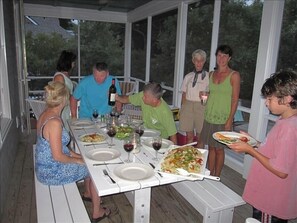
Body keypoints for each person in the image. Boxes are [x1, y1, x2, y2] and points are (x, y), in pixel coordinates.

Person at [35, 82, 110, 222]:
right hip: (52, 172)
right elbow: (58, 156)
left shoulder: (46, 114)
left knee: (87, 161)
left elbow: (60, 147)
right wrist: (80, 160)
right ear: (63, 100)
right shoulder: (55, 123)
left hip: (44, 166)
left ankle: (88, 193)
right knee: (95, 168)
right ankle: (97, 212)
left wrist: (80, 156)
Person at [229, 70, 297, 222]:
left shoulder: (289, 128)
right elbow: (276, 151)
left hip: (271, 199)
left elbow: (281, 171)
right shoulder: (286, 120)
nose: (266, 103)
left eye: (269, 98)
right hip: (271, 193)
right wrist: (254, 142)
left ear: (287, 99)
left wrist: (250, 150)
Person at [199, 45, 240, 176]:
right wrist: (203, 98)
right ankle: (210, 175)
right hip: (209, 116)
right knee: (210, 147)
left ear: (229, 58)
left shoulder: (234, 75)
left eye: (225, 56)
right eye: (219, 55)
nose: (221, 58)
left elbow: (235, 100)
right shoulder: (211, 74)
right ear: (216, 56)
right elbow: (207, 97)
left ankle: (217, 176)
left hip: (223, 118)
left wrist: (229, 120)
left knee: (219, 149)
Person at [179, 49, 209, 145]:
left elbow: (211, 94)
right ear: (193, 61)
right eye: (196, 60)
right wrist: (182, 108)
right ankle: (189, 158)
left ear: (204, 61)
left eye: (201, 60)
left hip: (201, 106)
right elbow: (184, 94)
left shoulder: (209, 77)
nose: (199, 63)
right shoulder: (188, 76)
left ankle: (200, 158)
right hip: (188, 106)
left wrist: (207, 97)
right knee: (189, 137)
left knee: (201, 138)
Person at [53, 50, 77, 129]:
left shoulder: (65, 75)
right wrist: (74, 98)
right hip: (62, 107)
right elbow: (60, 94)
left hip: (67, 106)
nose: (74, 64)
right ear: (68, 62)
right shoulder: (59, 77)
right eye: (73, 62)